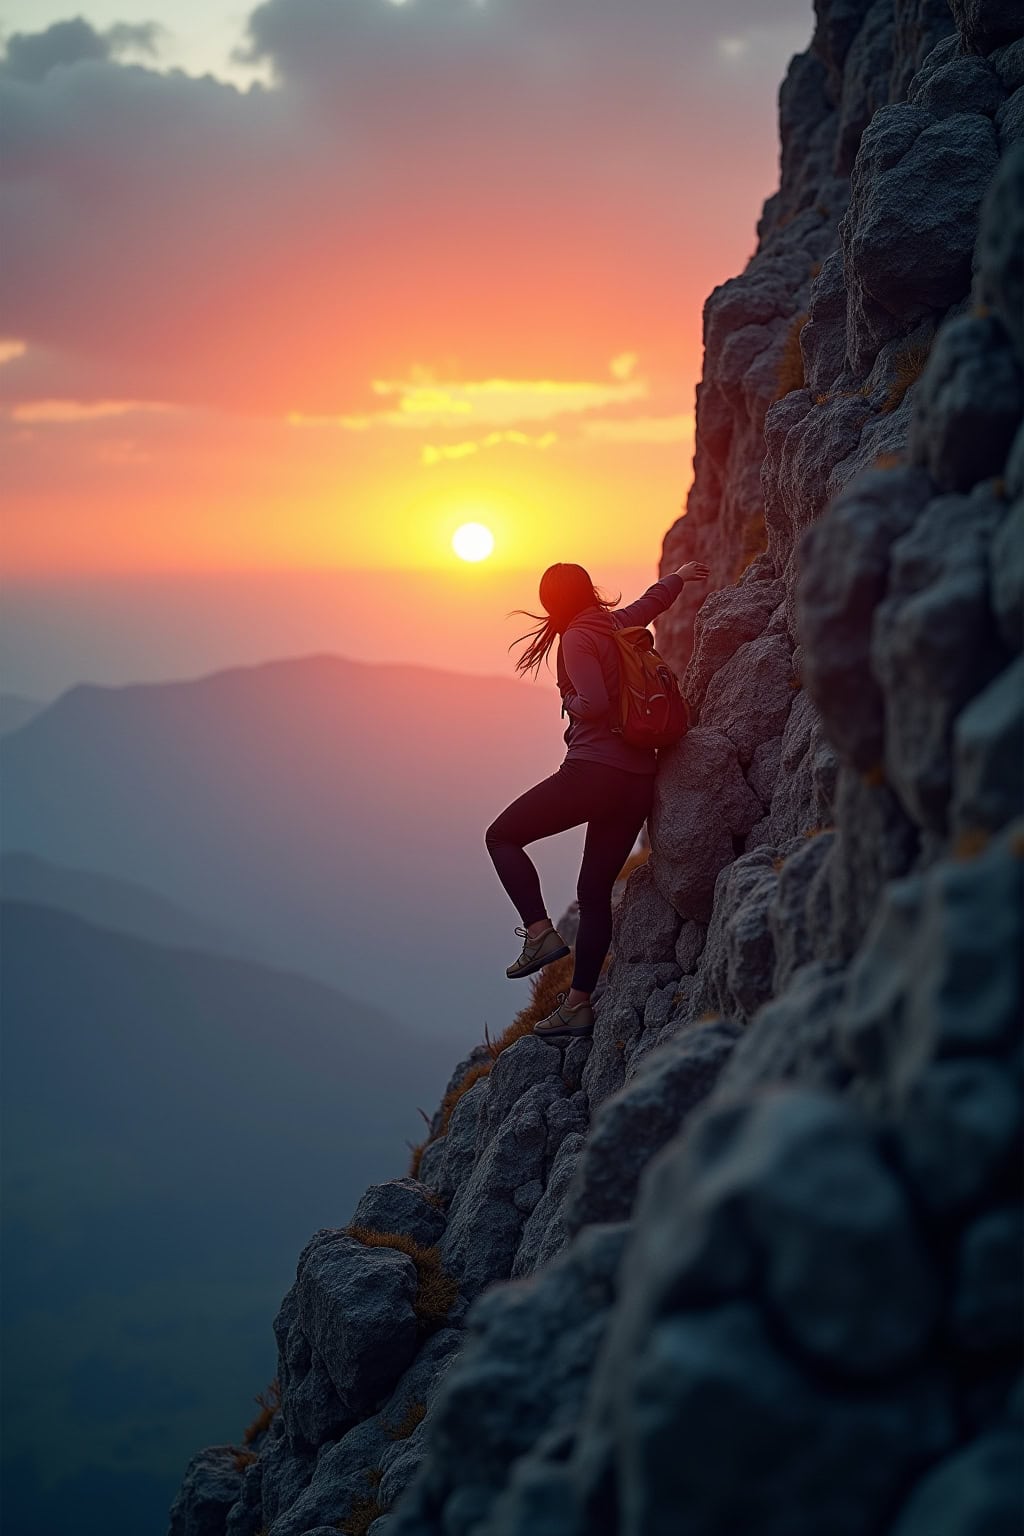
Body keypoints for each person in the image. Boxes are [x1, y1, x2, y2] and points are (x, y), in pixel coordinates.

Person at [484, 559, 709, 1040]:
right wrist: (679, 577)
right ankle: (579, 1004)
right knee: (593, 893)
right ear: (588, 592)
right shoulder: (611, 622)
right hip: (636, 780)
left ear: (552, 603)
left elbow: (596, 703)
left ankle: (540, 932)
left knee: (501, 836)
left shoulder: (577, 639)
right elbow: (651, 604)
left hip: (593, 773)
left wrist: (570, 702)